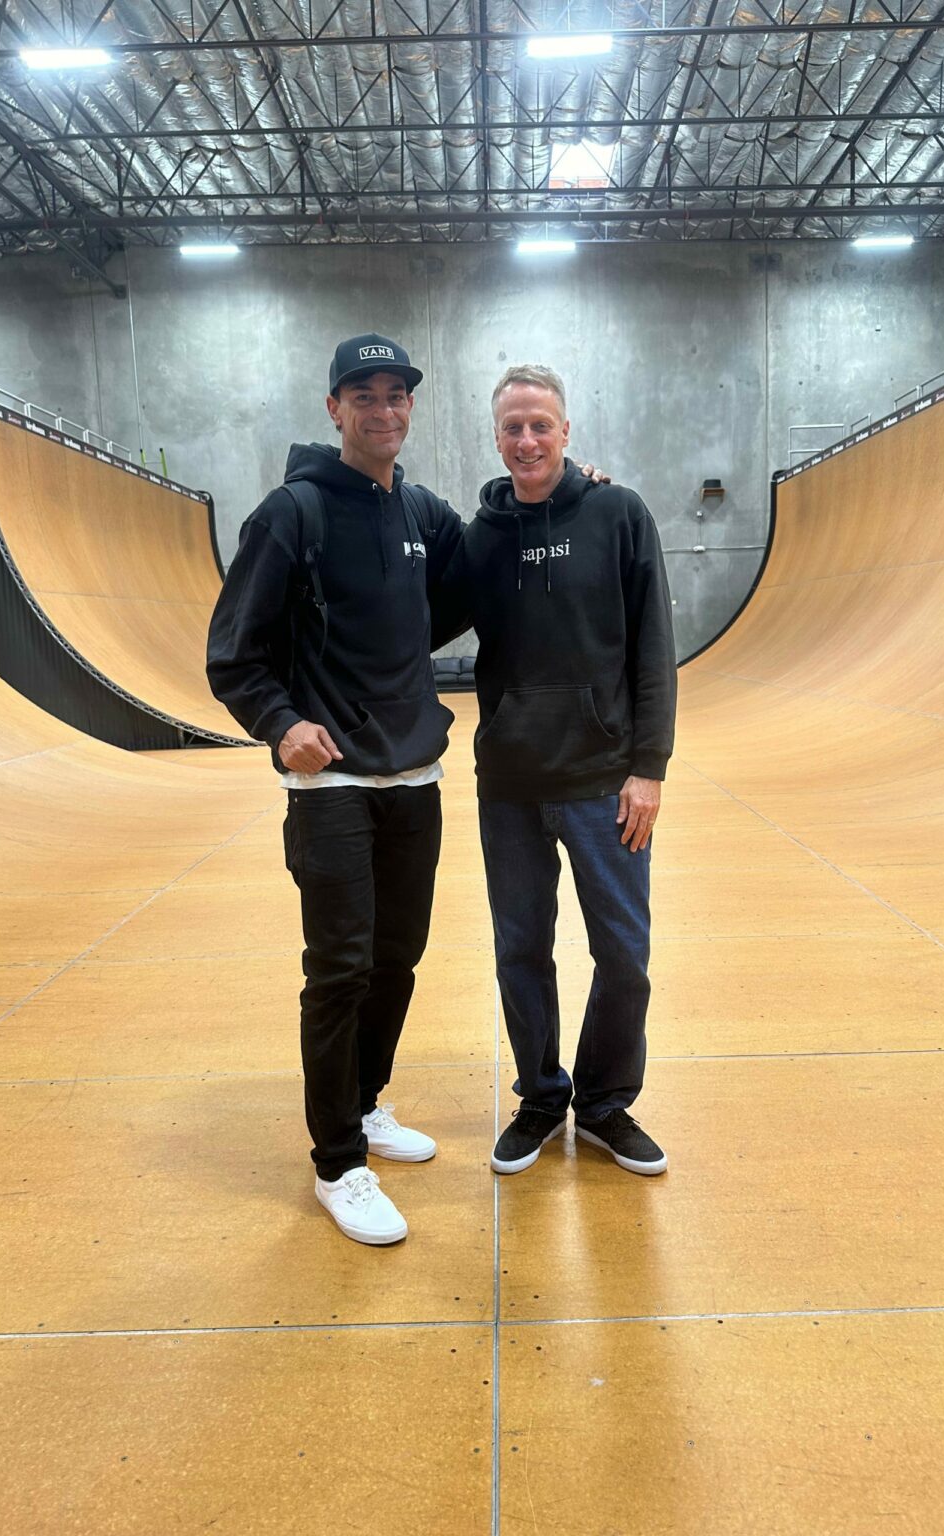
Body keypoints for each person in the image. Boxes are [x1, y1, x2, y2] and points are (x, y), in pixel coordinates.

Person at [206, 335, 464, 1247]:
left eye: (397, 394)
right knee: (341, 970)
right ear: (334, 409)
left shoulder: (422, 511)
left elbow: (478, 574)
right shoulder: (293, 513)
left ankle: (365, 1102)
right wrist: (281, 723)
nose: (383, 410)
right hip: (334, 788)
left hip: (416, 775)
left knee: (398, 959)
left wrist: (566, 491)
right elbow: (233, 653)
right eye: (364, 395)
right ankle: (338, 1163)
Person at [439, 364, 677, 1177]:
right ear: (495, 437)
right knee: (521, 950)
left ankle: (604, 1104)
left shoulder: (618, 513)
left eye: (541, 424)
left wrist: (649, 767)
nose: (528, 439)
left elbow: (653, 649)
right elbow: (418, 620)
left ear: (566, 431)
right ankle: (541, 1096)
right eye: (513, 427)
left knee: (624, 955)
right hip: (510, 785)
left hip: (605, 782)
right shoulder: (482, 538)